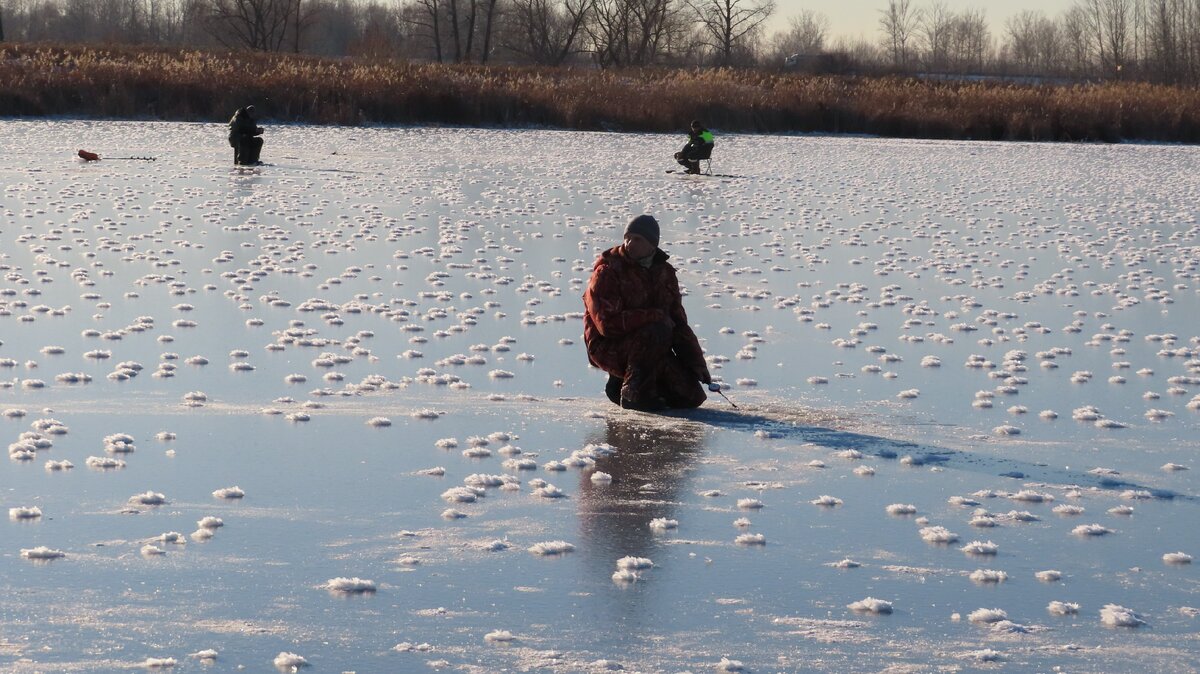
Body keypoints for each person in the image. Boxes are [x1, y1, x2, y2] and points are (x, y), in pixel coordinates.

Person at [583, 215, 712, 411]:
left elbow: (678, 323)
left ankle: (623, 385)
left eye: (638, 239)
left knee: (691, 397)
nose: (630, 243)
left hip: (652, 346)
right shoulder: (608, 271)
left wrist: (696, 363)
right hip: (608, 347)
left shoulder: (665, 274)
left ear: (652, 244)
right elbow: (606, 325)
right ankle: (632, 395)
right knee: (656, 329)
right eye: (628, 237)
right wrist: (653, 316)